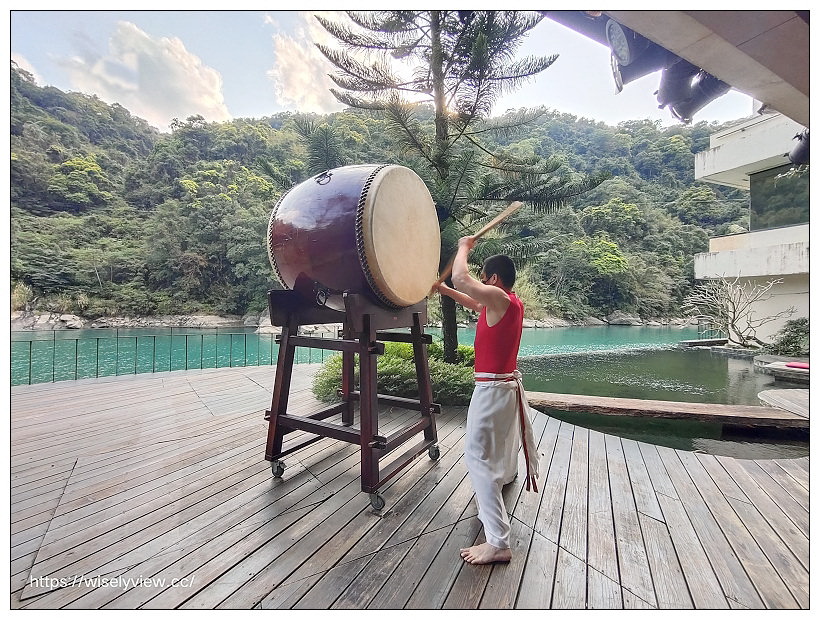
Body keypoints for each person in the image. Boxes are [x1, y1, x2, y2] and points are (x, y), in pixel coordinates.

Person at [434, 236, 540, 565]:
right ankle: (505, 478)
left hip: (493, 390)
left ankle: (497, 541)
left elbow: (462, 277)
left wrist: (464, 246)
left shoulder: (498, 298)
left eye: (483, 275)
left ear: (493, 279)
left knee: (477, 457)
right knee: (502, 446)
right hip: (503, 389)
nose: (478, 280)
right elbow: (471, 301)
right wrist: (446, 292)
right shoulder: (504, 302)